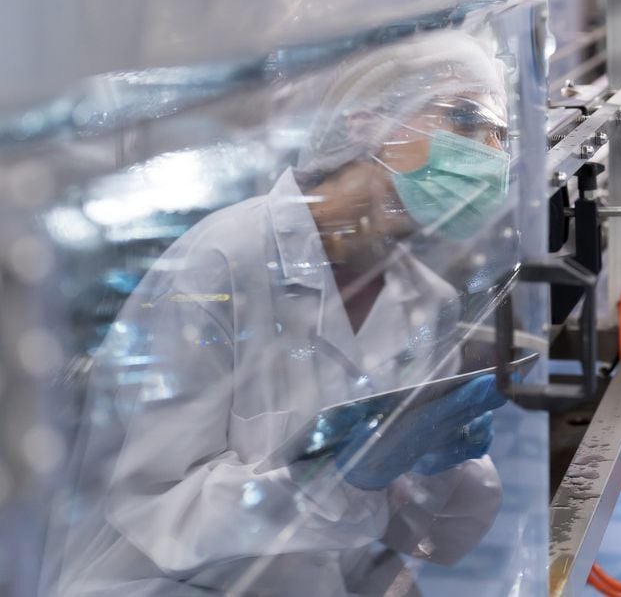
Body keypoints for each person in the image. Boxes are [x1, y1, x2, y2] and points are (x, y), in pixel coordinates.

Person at [48, 30, 514, 596]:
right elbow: (162, 514)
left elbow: (420, 533)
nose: (488, 157)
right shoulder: (223, 260)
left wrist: (441, 462)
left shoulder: (425, 297)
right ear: (364, 123)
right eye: (465, 121)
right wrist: (339, 476)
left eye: (498, 136)